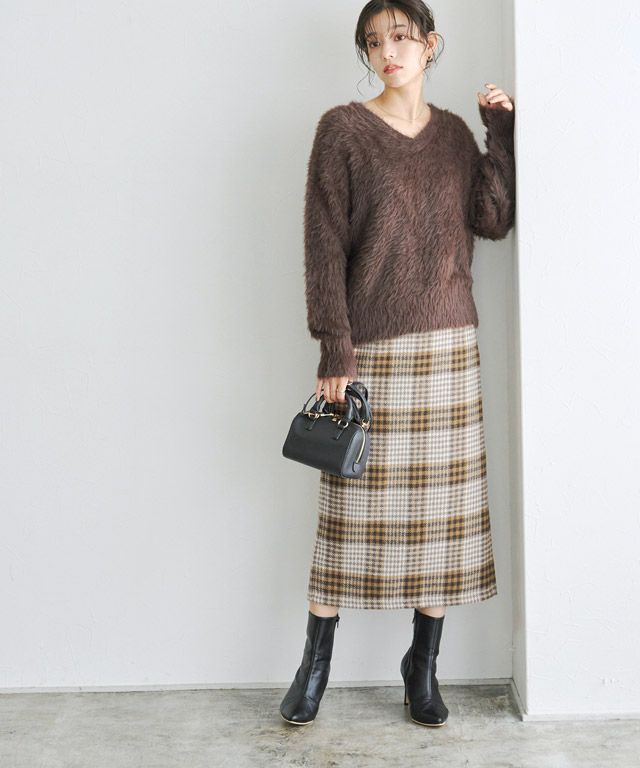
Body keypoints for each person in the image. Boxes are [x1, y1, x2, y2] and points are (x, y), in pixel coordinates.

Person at [280, 0, 515, 729]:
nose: (388, 51)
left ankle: (423, 666)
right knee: (346, 517)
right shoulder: (342, 131)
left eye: (402, 37)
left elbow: (493, 219)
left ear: (429, 44)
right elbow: (323, 244)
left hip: (449, 347)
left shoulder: (453, 137)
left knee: (442, 518)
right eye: (374, 41)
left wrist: (500, 135)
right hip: (371, 351)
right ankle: (314, 666)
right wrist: (334, 346)